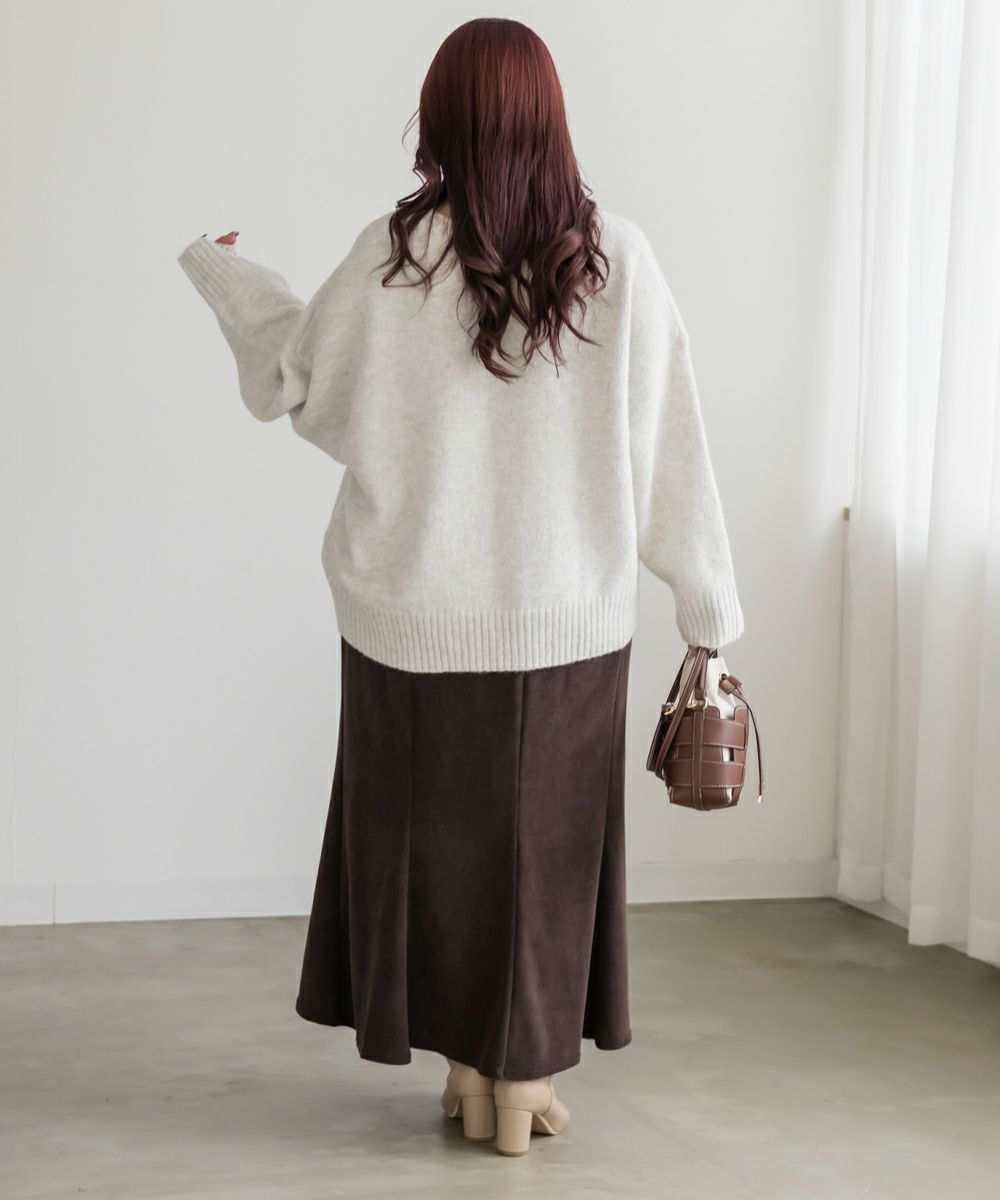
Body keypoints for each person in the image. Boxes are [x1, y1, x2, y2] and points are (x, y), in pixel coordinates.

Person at [177, 16, 744, 1159]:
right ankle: (517, 1078)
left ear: (436, 120)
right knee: (544, 857)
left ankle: (473, 1071)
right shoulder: (616, 258)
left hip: (408, 618)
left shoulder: (395, 256)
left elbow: (298, 384)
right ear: (551, 118)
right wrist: (708, 612)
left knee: (428, 853)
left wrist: (227, 274)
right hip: (567, 621)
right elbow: (669, 446)